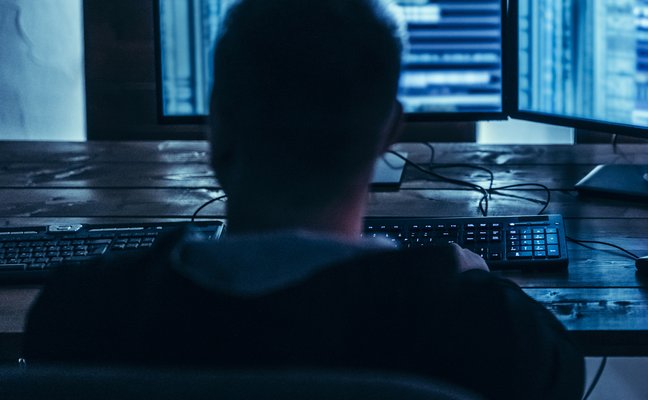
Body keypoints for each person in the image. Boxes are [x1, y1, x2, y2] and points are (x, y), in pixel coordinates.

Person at [22, 0, 584, 398]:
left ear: (216, 124)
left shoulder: (79, 311)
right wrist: (471, 278)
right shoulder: (487, 330)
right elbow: (565, 374)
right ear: (388, 132)